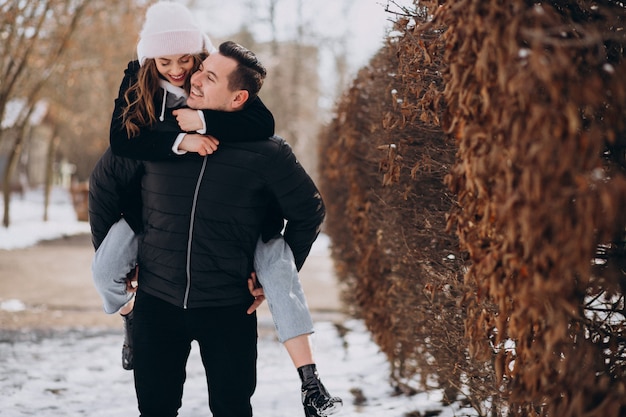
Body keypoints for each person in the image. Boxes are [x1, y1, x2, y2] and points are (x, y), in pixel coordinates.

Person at [89, 3, 341, 416]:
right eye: (173, 64)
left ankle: (310, 379)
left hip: (227, 308)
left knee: (232, 408)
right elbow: (105, 184)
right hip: (157, 302)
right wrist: (120, 258)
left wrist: (267, 273)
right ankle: (129, 318)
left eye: (202, 70)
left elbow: (307, 209)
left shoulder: (266, 151)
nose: (188, 75)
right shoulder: (149, 128)